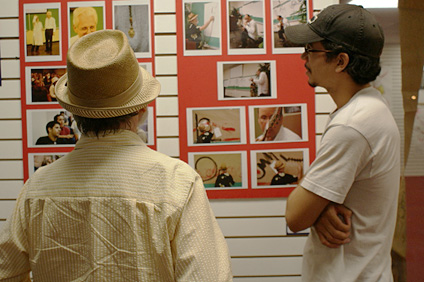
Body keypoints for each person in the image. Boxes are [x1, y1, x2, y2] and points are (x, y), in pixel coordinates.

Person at [0, 30, 232, 281]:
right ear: (141, 108)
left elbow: (7, 273)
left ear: (74, 114)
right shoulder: (176, 182)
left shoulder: (37, 187)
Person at [284, 4, 400, 281]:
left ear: (340, 61)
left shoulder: (352, 125)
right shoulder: (369, 107)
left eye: (311, 50)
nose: (304, 57)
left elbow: (295, 216)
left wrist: (313, 209)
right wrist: (321, 207)